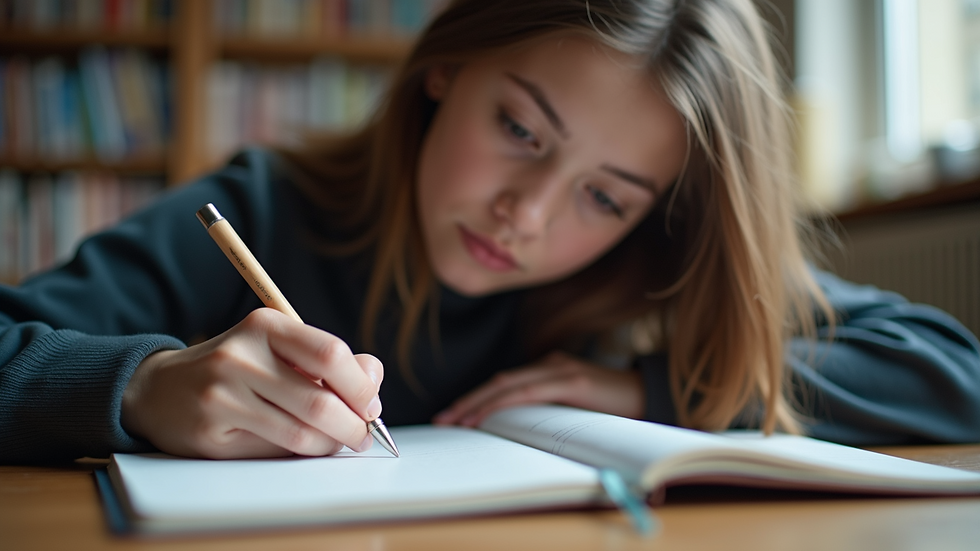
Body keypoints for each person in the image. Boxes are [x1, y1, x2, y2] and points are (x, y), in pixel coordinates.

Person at [2, 0, 979, 465]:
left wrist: (649, 390)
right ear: (446, 71)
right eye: (518, 129)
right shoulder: (268, 205)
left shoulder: (652, 266)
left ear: (658, 214)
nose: (528, 213)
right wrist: (142, 386)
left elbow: (950, 366)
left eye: (606, 197)